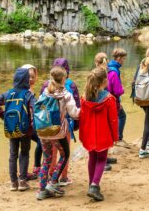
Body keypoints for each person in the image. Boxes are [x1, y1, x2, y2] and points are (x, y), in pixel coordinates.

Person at [37, 66, 80, 200]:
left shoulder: (45, 92)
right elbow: (74, 114)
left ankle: (41, 190)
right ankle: (53, 182)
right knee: (65, 154)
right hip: (58, 132)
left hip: (43, 130)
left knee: (47, 159)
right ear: (63, 79)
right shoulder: (66, 95)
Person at [0, 67, 36, 192]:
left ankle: (13, 183)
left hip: (11, 128)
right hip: (25, 129)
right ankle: (22, 181)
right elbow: (35, 107)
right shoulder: (27, 94)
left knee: (13, 155)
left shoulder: (7, 94)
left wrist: (4, 116)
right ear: (26, 80)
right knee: (24, 153)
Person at [79, 67, 119, 202]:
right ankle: (95, 186)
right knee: (101, 159)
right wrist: (115, 136)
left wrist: (82, 135)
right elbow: (113, 120)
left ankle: (92, 184)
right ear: (104, 81)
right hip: (103, 133)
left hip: (89, 133)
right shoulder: (109, 99)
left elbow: (82, 118)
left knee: (92, 158)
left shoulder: (84, 97)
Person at [20, 63, 42, 180]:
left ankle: (30, 170)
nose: (31, 79)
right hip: (27, 124)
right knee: (39, 141)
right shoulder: (26, 91)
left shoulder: (26, 89)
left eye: (33, 76)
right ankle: (35, 168)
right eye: (29, 76)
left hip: (27, 123)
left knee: (23, 150)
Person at [107, 48, 128, 145]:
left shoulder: (108, 67)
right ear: (119, 58)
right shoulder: (115, 72)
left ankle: (112, 137)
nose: (124, 61)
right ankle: (118, 138)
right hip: (113, 100)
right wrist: (123, 89)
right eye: (123, 59)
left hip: (107, 98)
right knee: (122, 116)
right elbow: (117, 91)